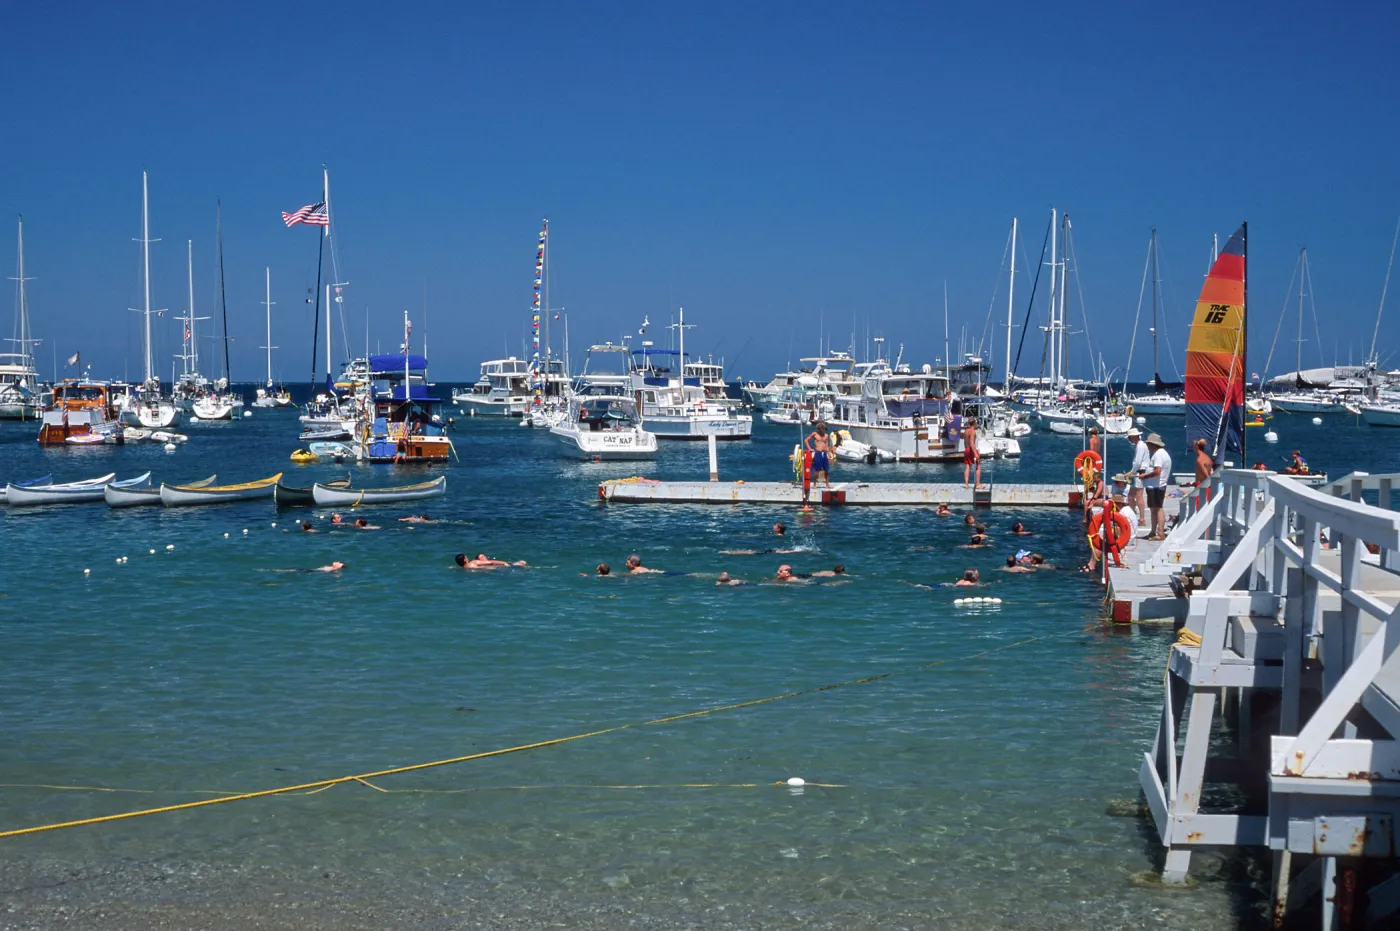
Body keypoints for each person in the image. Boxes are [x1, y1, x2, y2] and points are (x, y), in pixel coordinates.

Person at [1141, 433, 1173, 541]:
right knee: (1154, 509)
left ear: (1154, 444)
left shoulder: (1158, 455)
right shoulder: (1162, 453)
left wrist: (1145, 476)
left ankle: (1160, 533)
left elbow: (1157, 471)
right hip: (1157, 485)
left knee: (1158, 509)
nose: (1148, 446)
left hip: (1156, 486)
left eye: (1149, 444)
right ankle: (1153, 531)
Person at [1126, 428, 1150, 529]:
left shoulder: (1140, 446)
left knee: (1138, 495)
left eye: (1130, 438)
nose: (1129, 439)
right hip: (1139, 472)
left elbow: (1138, 462)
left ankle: (1141, 519)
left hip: (1140, 472)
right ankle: (1134, 517)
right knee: (1131, 495)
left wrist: (1131, 473)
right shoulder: (1141, 445)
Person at [804, 422, 834, 487]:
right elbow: (806, 440)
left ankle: (827, 484)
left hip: (824, 453)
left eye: (822, 429)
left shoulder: (826, 435)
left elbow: (826, 446)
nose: (821, 430)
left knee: (826, 470)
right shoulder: (814, 434)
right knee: (817, 470)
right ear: (818, 429)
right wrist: (809, 448)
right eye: (820, 429)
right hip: (818, 453)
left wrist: (829, 454)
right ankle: (814, 484)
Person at [962, 417, 982, 489]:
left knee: (967, 467)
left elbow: (965, 442)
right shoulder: (972, 432)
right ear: (974, 423)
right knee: (978, 466)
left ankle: (966, 484)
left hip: (966, 450)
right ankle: (978, 484)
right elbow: (971, 443)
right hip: (971, 450)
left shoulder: (966, 431)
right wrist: (975, 453)